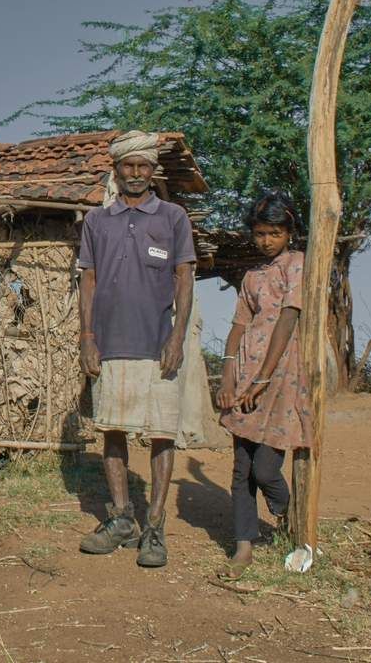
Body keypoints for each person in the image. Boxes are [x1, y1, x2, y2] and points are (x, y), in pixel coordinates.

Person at [76, 130, 198, 568]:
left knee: (162, 434)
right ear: (116, 169)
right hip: (109, 344)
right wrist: (87, 338)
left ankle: (155, 527)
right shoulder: (97, 221)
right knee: (112, 429)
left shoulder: (172, 217)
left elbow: (184, 279)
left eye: (143, 166)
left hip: (156, 343)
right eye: (127, 166)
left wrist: (177, 336)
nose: (135, 173)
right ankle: (121, 518)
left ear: (152, 170)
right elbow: (87, 280)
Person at [215, 190, 311, 579]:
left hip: (281, 376)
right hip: (244, 373)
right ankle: (243, 545)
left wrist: (266, 376)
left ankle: (288, 518)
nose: (266, 240)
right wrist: (227, 375)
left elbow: (288, 320)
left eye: (274, 232)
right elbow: (239, 326)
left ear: (289, 231)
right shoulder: (252, 276)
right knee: (241, 468)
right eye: (259, 233)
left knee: (266, 469)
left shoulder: (298, 265)